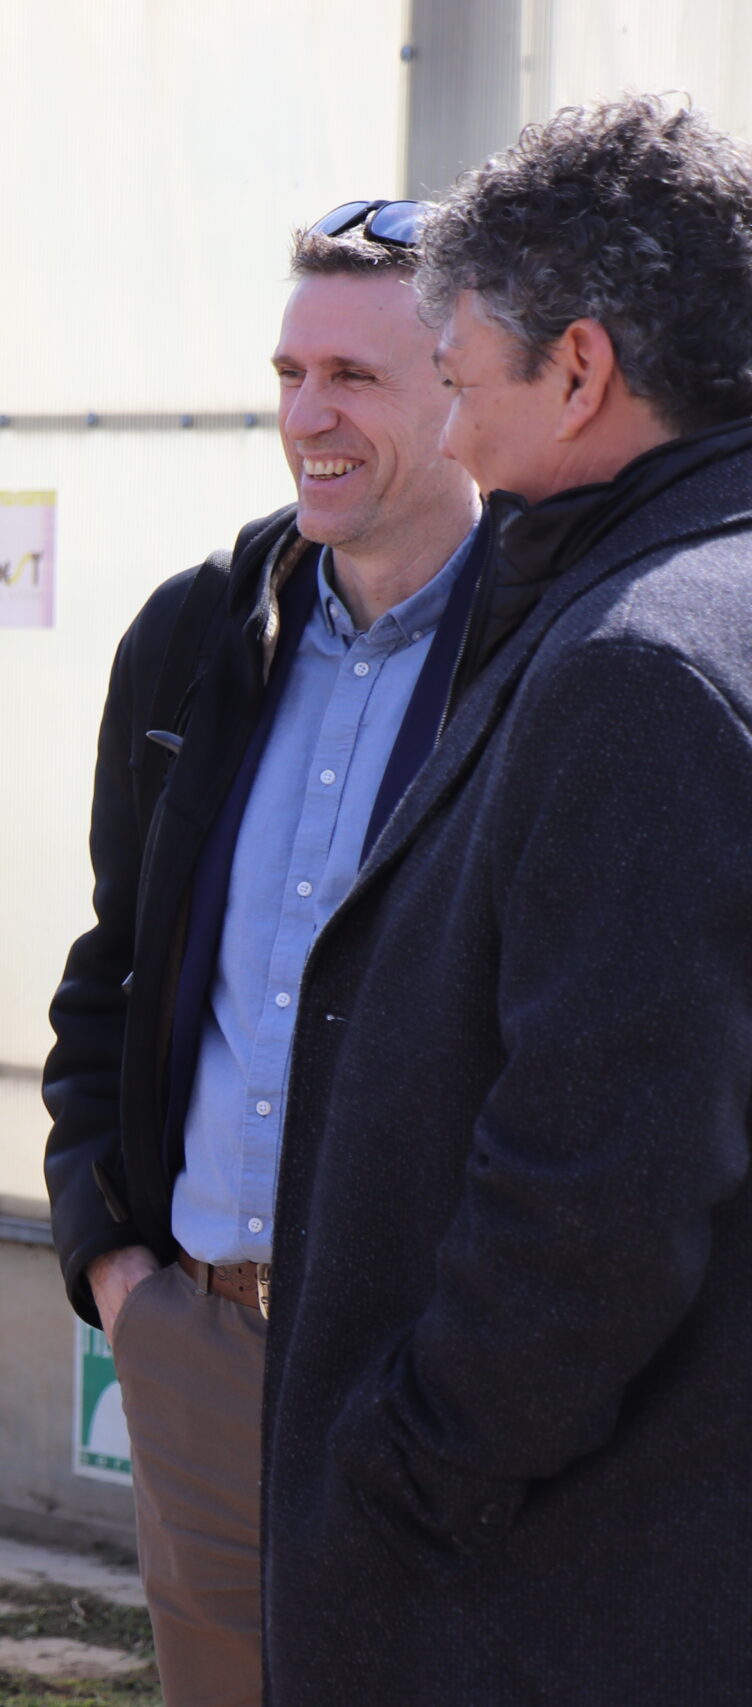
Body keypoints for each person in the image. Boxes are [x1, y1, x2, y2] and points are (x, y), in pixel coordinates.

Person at [262, 96, 752, 1705]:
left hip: (573, 1584)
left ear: (583, 370)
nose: (457, 435)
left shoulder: (641, 669)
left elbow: (600, 1179)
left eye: (460, 379)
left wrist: (413, 1471)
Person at [41, 203, 481, 1704]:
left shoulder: (554, 649)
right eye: (290, 374)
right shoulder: (197, 634)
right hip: (203, 1347)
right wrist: (117, 1267)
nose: (307, 417)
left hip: (431, 1372)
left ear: (464, 389)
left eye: (354, 377)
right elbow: (115, 963)